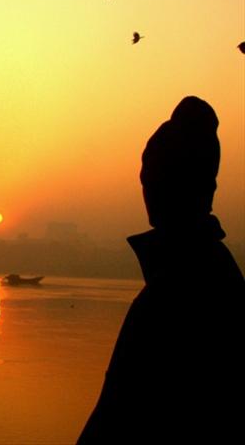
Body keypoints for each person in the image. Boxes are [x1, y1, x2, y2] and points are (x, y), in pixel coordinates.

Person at [77, 96, 245, 444]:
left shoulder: (173, 293)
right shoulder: (216, 274)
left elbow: (114, 418)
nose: (148, 191)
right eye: (146, 179)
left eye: (155, 179)